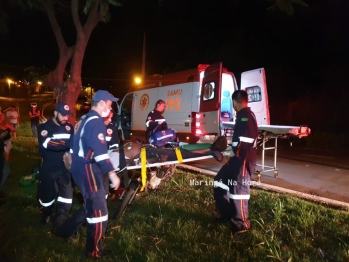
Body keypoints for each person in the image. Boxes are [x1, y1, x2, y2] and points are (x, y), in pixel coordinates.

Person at [54, 90, 120, 258]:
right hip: (88, 169)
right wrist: (112, 174)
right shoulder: (96, 121)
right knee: (99, 213)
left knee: (90, 206)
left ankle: (63, 230)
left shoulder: (84, 118)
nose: (111, 107)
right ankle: (94, 251)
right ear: (102, 103)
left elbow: (74, 143)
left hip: (81, 167)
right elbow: (100, 153)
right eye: (110, 103)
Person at [213, 90, 258, 233]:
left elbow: (245, 142)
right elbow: (238, 143)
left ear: (233, 102)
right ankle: (228, 215)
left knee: (239, 190)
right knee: (220, 182)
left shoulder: (245, 116)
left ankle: (241, 223)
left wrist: (226, 152)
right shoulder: (243, 116)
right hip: (236, 158)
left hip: (243, 160)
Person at [37, 102, 74, 225]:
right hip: (49, 167)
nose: (66, 118)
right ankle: (47, 213)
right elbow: (48, 144)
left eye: (67, 115)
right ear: (55, 113)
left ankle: (61, 218)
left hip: (65, 168)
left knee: (66, 195)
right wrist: (68, 144)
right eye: (63, 115)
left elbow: (73, 146)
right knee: (48, 195)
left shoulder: (69, 127)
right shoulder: (44, 128)